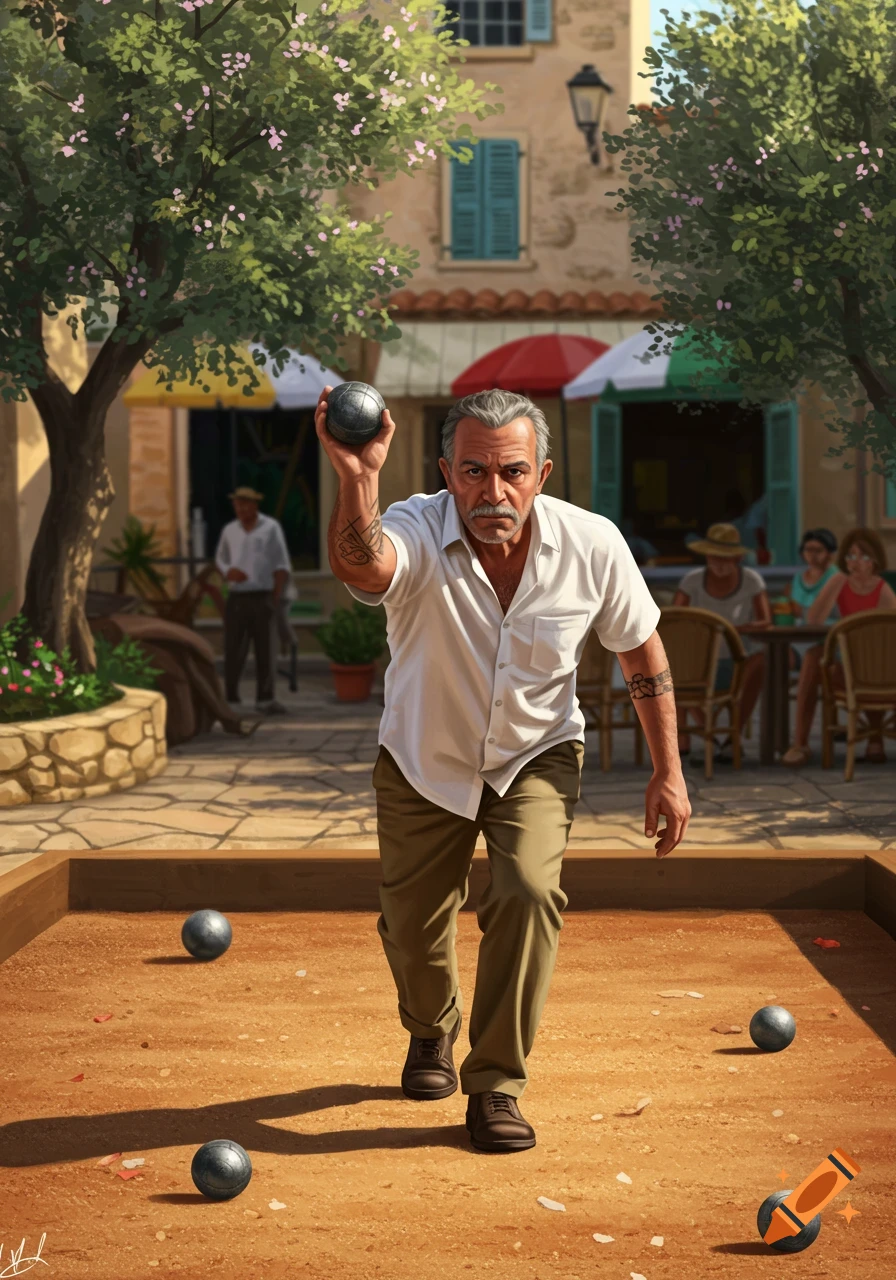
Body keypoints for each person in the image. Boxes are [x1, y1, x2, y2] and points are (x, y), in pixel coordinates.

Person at [315, 385, 691, 1154]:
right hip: (425, 756)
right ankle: (431, 1029)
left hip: (537, 754)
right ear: (447, 473)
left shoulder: (593, 544)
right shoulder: (415, 526)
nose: (495, 491)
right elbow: (368, 566)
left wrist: (669, 771)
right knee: (415, 927)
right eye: (475, 473)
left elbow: (641, 651)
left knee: (527, 892)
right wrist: (357, 478)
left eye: (512, 472)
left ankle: (495, 1085)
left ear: (542, 473)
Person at [782, 527, 896, 766]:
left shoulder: (884, 591)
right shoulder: (838, 581)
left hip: (877, 667)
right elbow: (813, 620)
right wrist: (835, 585)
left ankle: (876, 738)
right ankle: (800, 742)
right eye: (851, 556)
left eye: (864, 557)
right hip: (846, 663)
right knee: (814, 657)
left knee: (874, 664)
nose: (856, 563)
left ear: (875, 559)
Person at [672, 523, 772, 755]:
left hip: (738, 660)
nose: (719, 563)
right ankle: (699, 733)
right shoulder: (691, 582)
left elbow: (765, 621)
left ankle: (732, 733)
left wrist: (731, 629)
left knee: (762, 663)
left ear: (736, 558)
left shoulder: (752, 581)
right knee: (673, 665)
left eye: (725, 558)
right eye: (714, 557)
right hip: (697, 662)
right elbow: (675, 622)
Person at [214, 485, 291, 714]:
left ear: (254, 505)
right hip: (237, 597)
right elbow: (220, 559)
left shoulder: (270, 528)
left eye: (245, 504)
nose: (240, 508)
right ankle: (232, 699)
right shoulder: (230, 530)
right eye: (237, 504)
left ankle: (265, 699)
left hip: (263, 596)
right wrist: (229, 572)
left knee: (265, 649)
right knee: (233, 648)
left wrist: (275, 597)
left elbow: (281, 564)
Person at [787, 528, 839, 666]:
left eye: (818, 551)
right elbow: (793, 610)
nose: (812, 555)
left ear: (829, 553)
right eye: (808, 550)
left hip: (828, 637)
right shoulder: (798, 578)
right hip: (801, 634)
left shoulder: (837, 578)